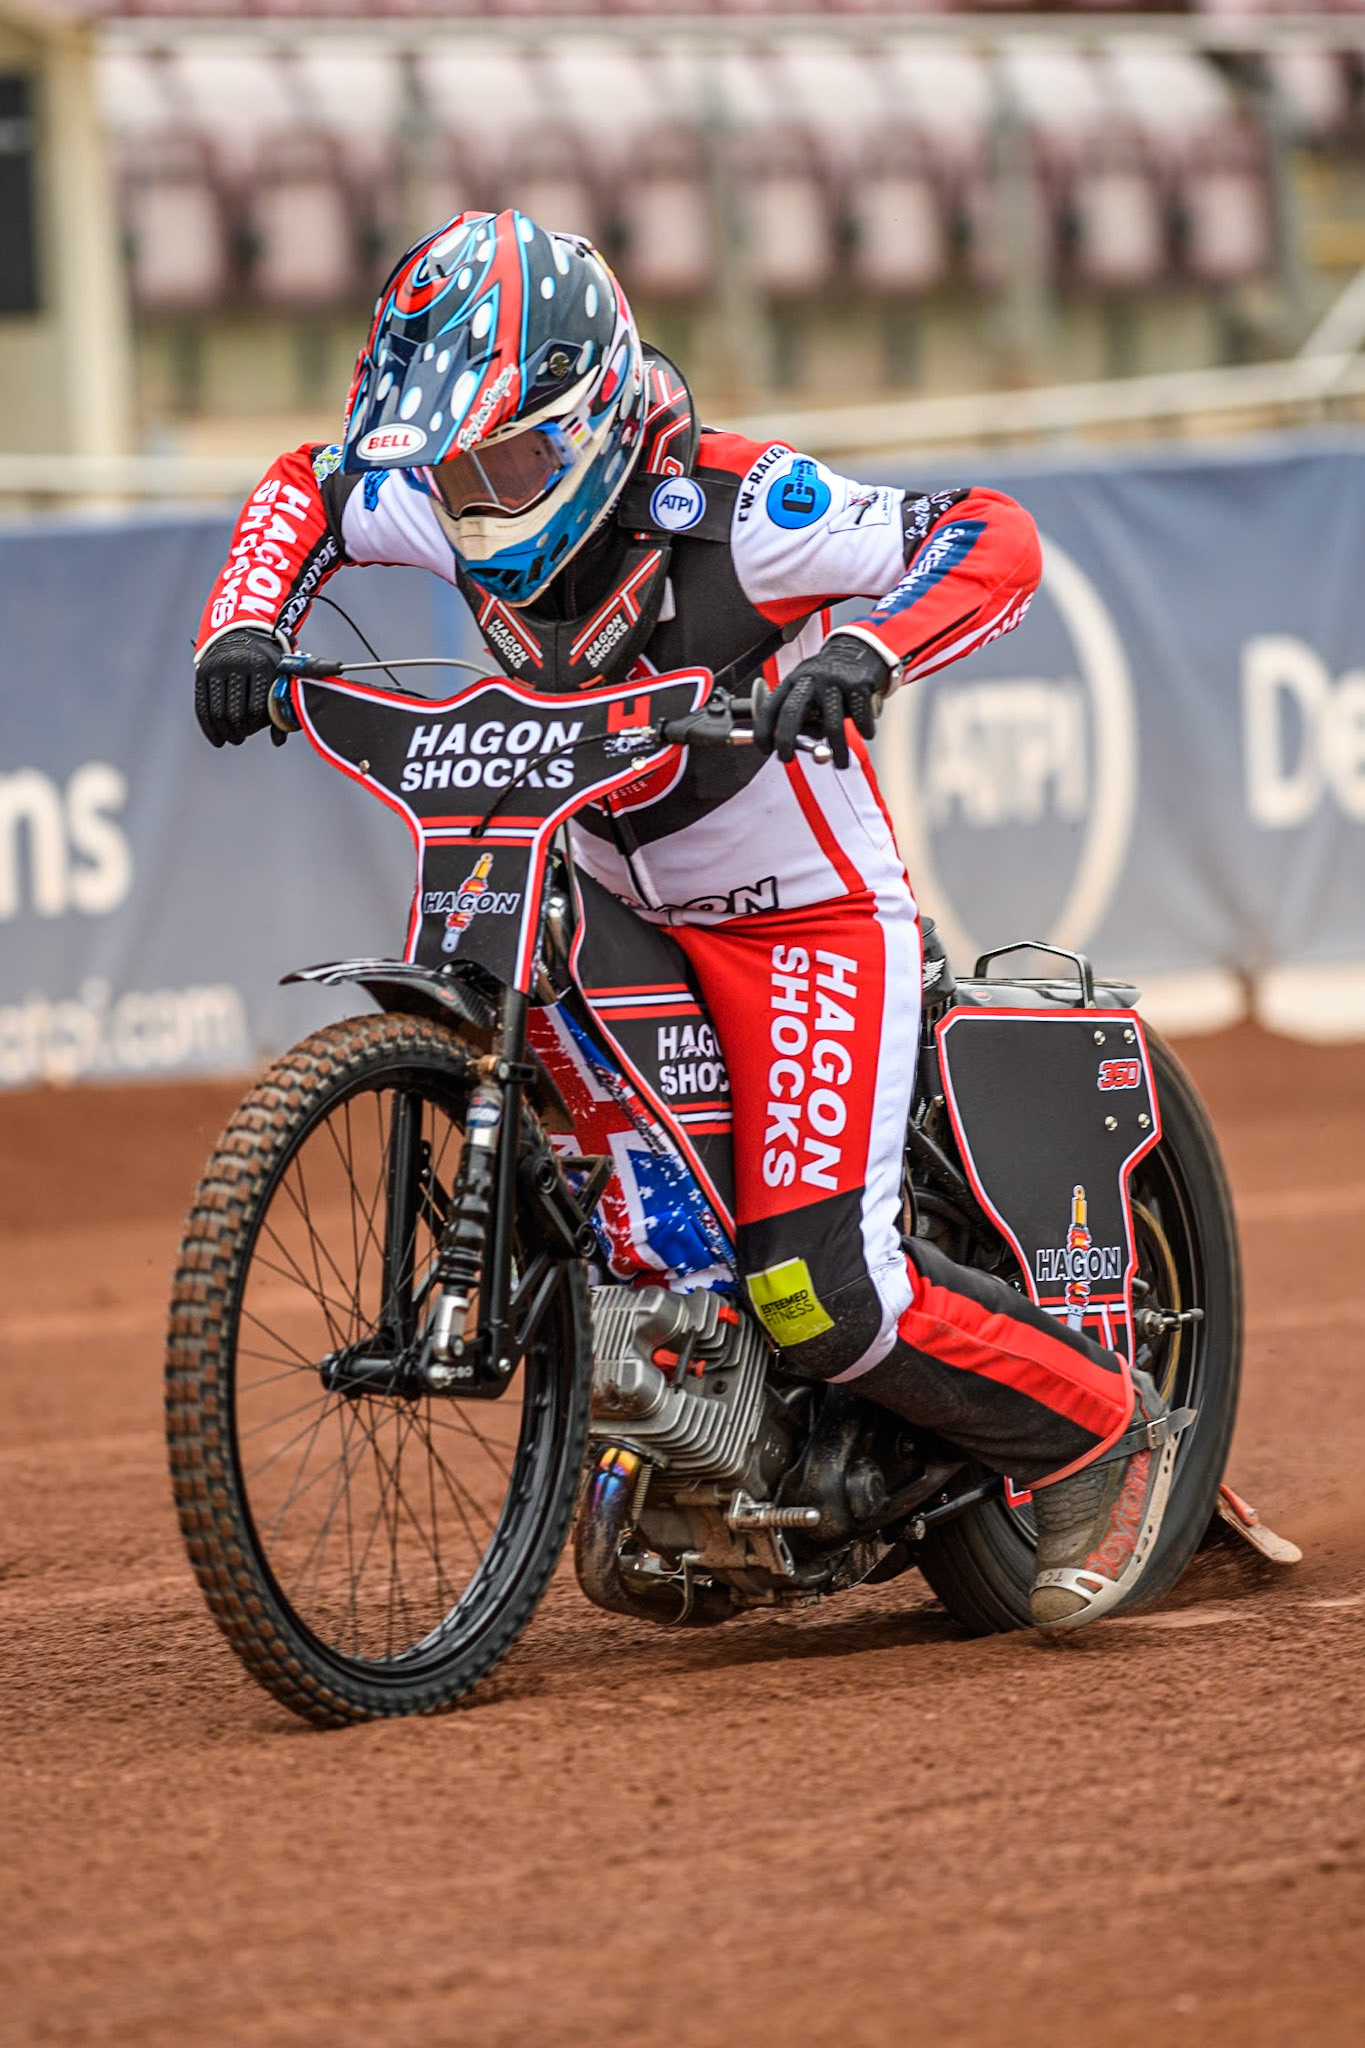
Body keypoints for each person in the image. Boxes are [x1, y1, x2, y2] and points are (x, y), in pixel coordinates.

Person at [193, 210, 1174, 1631]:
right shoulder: (452, 490)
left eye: (510, 463)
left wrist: (859, 646)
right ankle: (678, 1416)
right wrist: (242, 620)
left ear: (590, 413)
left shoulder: (745, 509)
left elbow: (988, 534)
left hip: (805, 922)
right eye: (454, 476)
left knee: (819, 1290)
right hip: (598, 883)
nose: (474, 509)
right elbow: (309, 481)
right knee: (600, 1165)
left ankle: (1092, 1425)